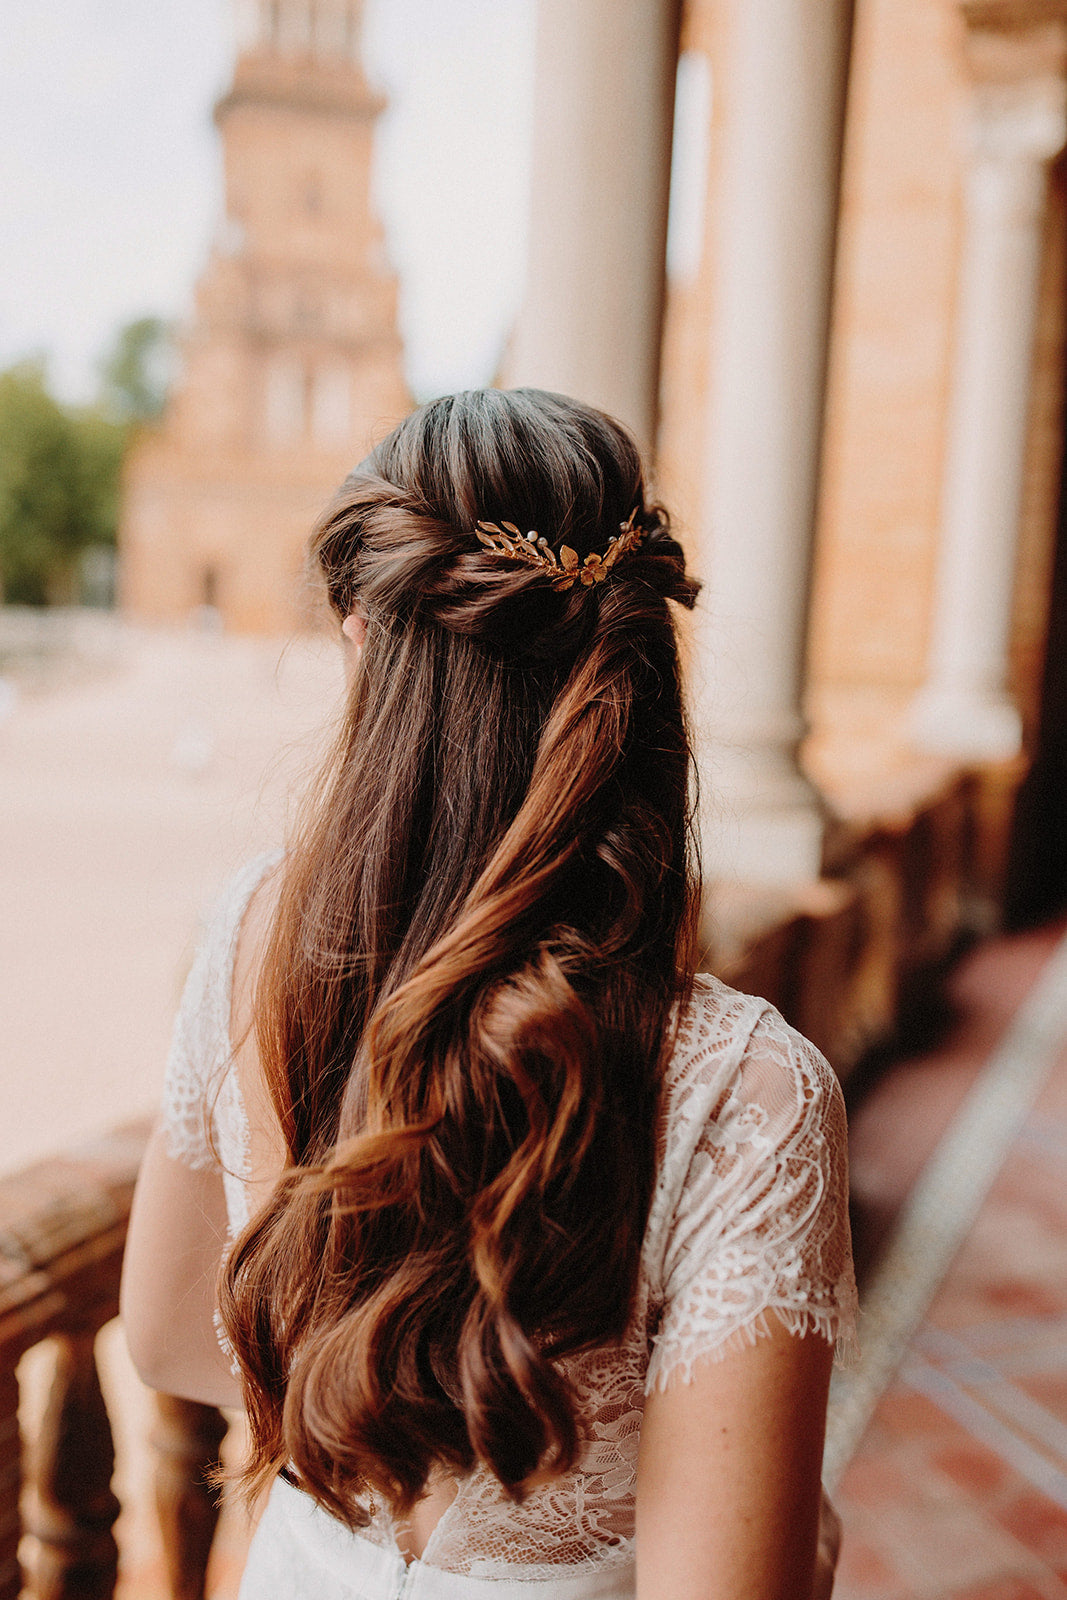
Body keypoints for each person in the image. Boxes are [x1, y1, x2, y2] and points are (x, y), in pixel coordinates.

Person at [122, 388, 857, 1600]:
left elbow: (159, 1332)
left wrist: (354, 1420)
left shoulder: (250, 931)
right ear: (635, 651)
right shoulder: (748, 1093)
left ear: (361, 634)